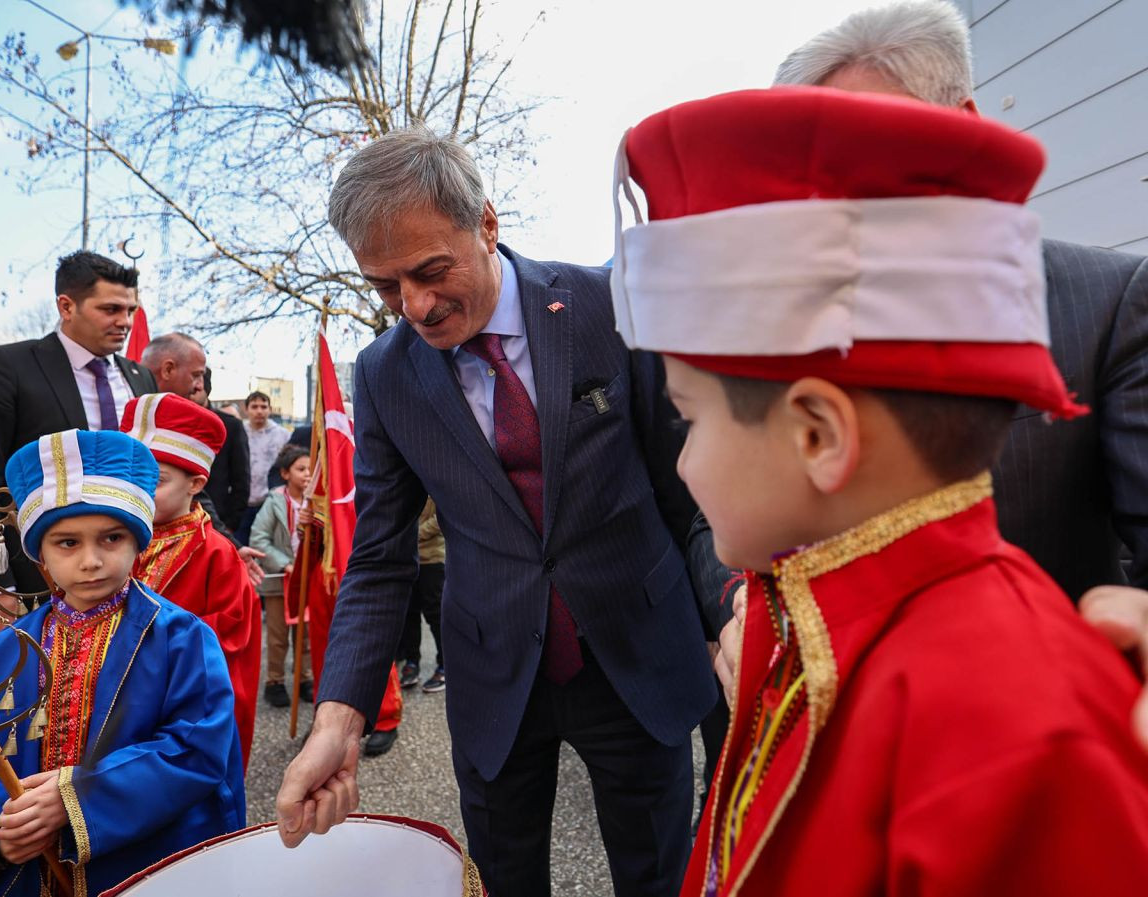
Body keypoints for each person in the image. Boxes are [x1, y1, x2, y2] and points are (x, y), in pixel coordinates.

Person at [617, 84, 1148, 897]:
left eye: (688, 417)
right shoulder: (801, 612)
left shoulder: (1013, 728)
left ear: (818, 436)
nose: (682, 465)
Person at [275, 126, 717, 897]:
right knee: (502, 878)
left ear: (485, 223)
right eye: (385, 286)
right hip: (494, 676)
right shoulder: (385, 374)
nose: (413, 305)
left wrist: (731, 610)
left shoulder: (606, 306)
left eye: (429, 271)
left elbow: (688, 492)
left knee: (656, 873)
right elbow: (380, 558)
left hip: (636, 653)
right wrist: (338, 719)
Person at [765, 0, 1148, 751]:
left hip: (1037, 745)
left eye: (867, 149)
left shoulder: (1110, 305)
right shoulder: (784, 329)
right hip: (838, 742)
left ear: (965, 126)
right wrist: (739, 617)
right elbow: (710, 510)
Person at [0, 428, 246, 897]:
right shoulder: (4, 652)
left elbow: (198, 748)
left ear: (138, 542)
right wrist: (11, 830)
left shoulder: (181, 638)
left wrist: (76, 798)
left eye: (111, 537)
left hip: (140, 861)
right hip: (33, 869)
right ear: (39, 553)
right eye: (67, 543)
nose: (91, 561)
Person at [0, 251, 157, 641]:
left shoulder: (141, 378)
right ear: (66, 305)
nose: (124, 322)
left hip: (134, 583)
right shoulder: (6, 368)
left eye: (131, 310)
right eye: (110, 309)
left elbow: (161, 471)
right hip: (37, 584)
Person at [122, 392, 263, 769]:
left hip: (182, 704)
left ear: (196, 483)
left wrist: (146, 647)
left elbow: (230, 635)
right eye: (131, 478)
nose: (138, 491)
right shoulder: (114, 539)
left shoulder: (217, 552)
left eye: (157, 480)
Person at [250, 443, 315, 708]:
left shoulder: (316, 501)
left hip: (308, 579)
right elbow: (259, 538)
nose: (307, 474)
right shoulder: (275, 501)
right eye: (301, 469)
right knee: (277, 636)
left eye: (311, 468)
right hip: (280, 581)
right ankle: (274, 681)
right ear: (285, 473)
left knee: (306, 634)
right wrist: (285, 563)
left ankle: (305, 678)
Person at [395, 498, 446, 693]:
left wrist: (413, 533)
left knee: (436, 614)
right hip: (406, 557)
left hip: (432, 558)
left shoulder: (435, 476)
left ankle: (445, 665)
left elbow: (442, 517)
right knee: (409, 613)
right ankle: (411, 662)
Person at [200, 366, 251, 533]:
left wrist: (230, 524)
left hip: (217, 523)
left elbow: (241, 480)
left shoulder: (230, 426)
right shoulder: (167, 424)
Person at [236, 391, 290, 545]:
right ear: (246, 410)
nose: (259, 411)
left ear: (270, 409)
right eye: (254, 407)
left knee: (265, 546)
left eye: (263, 406)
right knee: (240, 546)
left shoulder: (283, 435)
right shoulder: (238, 432)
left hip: (270, 501)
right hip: (243, 502)